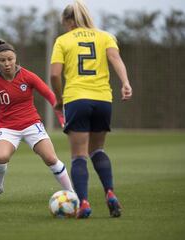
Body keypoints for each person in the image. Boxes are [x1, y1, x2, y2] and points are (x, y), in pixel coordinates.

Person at [50, 0, 132, 218]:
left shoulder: (63, 40)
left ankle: (84, 203)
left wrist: (59, 99)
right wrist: (125, 82)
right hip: (103, 99)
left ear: (68, 21)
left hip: (77, 99)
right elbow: (116, 59)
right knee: (98, 150)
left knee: (78, 156)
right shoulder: (105, 36)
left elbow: (55, 74)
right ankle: (110, 193)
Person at [0, 39, 75, 203]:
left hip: (32, 124)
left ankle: (71, 193)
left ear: (15, 58)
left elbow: (50, 95)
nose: (7, 63)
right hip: (8, 128)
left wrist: (61, 117)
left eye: (10, 59)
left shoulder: (28, 76)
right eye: (2, 60)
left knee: (51, 159)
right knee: (1, 157)